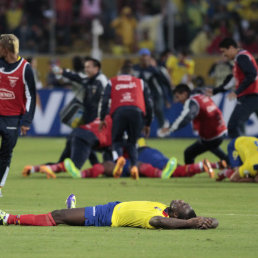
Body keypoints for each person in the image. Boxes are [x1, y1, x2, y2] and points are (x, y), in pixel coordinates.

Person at [0, 195, 219, 230]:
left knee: (58, 216)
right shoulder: (164, 207)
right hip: (113, 206)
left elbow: (162, 223)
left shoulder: (160, 219)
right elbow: (216, 222)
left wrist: (191, 223)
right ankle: (71, 209)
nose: (181, 201)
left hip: (107, 217)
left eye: (183, 205)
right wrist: (207, 221)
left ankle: (8, 218)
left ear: (176, 216)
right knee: (66, 215)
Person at [99, 61, 153, 179]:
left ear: (120, 73)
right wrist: (148, 123)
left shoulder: (112, 82)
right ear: (131, 73)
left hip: (119, 112)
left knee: (116, 141)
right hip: (137, 112)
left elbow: (104, 101)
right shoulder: (140, 82)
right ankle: (134, 166)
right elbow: (149, 104)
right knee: (133, 142)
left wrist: (102, 118)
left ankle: (119, 159)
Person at [0, 34, 36, 197]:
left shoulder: (25, 68)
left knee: (6, 154)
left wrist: (27, 120)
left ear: (5, 49)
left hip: (12, 118)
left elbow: (31, 96)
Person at [22, 115, 113, 179]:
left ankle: (33, 168)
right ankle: (48, 168)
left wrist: (95, 164)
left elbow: (90, 149)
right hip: (85, 138)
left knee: (61, 164)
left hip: (76, 133)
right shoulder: (114, 130)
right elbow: (107, 157)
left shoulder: (104, 118)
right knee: (73, 167)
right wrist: (102, 168)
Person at [63, 145, 227, 180]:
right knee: (175, 169)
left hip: (134, 157)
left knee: (138, 166)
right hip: (148, 151)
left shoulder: (114, 125)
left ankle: (81, 174)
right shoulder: (127, 119)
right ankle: (211, 165)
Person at [161, 84, 228, 165]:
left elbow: (186, 117)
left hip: (213, 135)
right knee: (212, 147)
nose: (178, 100)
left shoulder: (192, 102)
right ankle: (230, 164)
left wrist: (170, 127)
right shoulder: (199, 95)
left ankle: (201, 168)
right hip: (221, 130)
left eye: (178, 97)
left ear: (185, 94)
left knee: (189, 153)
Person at [206, 37, 258, 138]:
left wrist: (237, 91)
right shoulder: (240, 59)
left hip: (250, 96)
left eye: (224, 51)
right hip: (252, 95)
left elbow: (252, 75)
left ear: (231, 48)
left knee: (233, 126)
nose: (223, 55)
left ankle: (241, 152)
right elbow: (232, 80)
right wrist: (215, 91)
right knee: (236, 126)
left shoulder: (241, 57)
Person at [53, 57, 108, 125]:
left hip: (98, 114)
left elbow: (106, 98)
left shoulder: (102, 80)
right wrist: (62, 72)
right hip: (88, 113)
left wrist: (102, 116)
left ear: (96, 68)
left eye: (88, 67)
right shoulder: (87, 78)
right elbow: (76, 76)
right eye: (85, 67)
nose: (86, 70)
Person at [133, 49, 172, 131]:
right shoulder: (134, 69)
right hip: (141, 95)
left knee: (158, 108)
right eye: (142, 56)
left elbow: (163, 83)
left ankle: (163, 125)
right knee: (139, 113)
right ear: (140, 57)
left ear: (149, 57)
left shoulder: (154, 70)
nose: (144, 58)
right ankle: (139, 131)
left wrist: (166, 98)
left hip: (156, 94)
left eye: (146, 56)